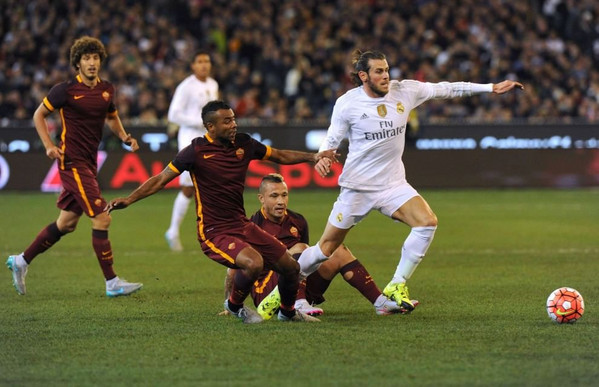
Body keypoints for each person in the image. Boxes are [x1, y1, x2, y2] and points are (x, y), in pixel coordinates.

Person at [298, 49, 524, 311]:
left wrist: (490, 88)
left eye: (387, 69)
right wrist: (322, 157)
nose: (386, 76)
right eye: (379, 71)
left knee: (427, 222)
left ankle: (397, 284)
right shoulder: (347, 104)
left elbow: (447, 89)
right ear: (363, 76)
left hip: (393, 184)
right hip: (357, 188)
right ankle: (286, 288)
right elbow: (332, 139)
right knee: (325, 249)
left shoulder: (405, 90)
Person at [106, 100, 337, 323]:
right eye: (227, 121)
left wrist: (313, 156)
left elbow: (279, 155)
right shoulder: (195, 151)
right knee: (253, 263)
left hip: (242, 225)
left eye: (234, 119)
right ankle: (235, 306)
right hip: (214, 231)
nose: (233, 125)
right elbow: (161, 179)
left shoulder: (244, 144)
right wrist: (129, 199)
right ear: (210, 127)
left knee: (291, 267)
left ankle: (287, 313)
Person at [5, 36, 143, 297]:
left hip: (89, 163)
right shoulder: (64, 90)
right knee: (102, 217)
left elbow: (112, 117)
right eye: (86, 58)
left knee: (67, 223)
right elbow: (38, 114)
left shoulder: (106, 89)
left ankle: (21, 261)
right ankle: (112, 282)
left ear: (101, 61)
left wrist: (124, 136)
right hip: (72, 162)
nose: (91, 63)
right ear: (77, 63)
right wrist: (48, 144)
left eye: (95, 58)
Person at [221, 173, 413, 319]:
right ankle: (298, 303)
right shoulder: (250, 226)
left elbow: (309, 261)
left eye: (284, 195)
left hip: (294, 282)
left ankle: (380, 302)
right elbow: (233, 271)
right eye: (274, 196)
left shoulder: (298, 221)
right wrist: (229, 305)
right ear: (261, 198)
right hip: (266, 294)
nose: (280, 201)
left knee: (336, 250)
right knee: (300, 249)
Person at [165, 51, 219, 252]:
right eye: (200, 62)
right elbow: (173, 114)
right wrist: (198, 122)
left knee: (205, 186)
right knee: (188, 188)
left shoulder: (213, 84)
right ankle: (173, 230)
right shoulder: (186, 87)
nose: (204, 65)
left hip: (208, 139)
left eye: (207, 61)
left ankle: (213, 230)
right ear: (193, 66)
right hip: (188, 138)